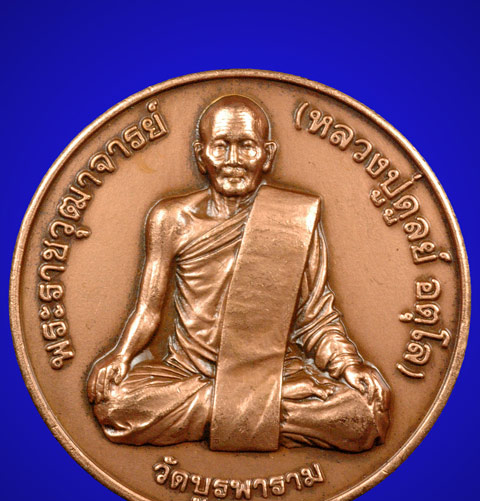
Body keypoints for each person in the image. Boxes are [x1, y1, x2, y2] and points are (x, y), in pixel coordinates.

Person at [88, 95, 390, 452]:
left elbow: (315, 318)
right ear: (201, 155)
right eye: (221, 146)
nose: (233, 160)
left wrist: (349, 366)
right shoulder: (171, 218)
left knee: (361, 417)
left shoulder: (293, 218)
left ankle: (232, 408)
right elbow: (149, 310)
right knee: (116, 403)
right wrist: (121, 355)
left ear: (267, 155)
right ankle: (262, 406)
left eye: (246, 146)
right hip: (189, 374)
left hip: (273, 371)